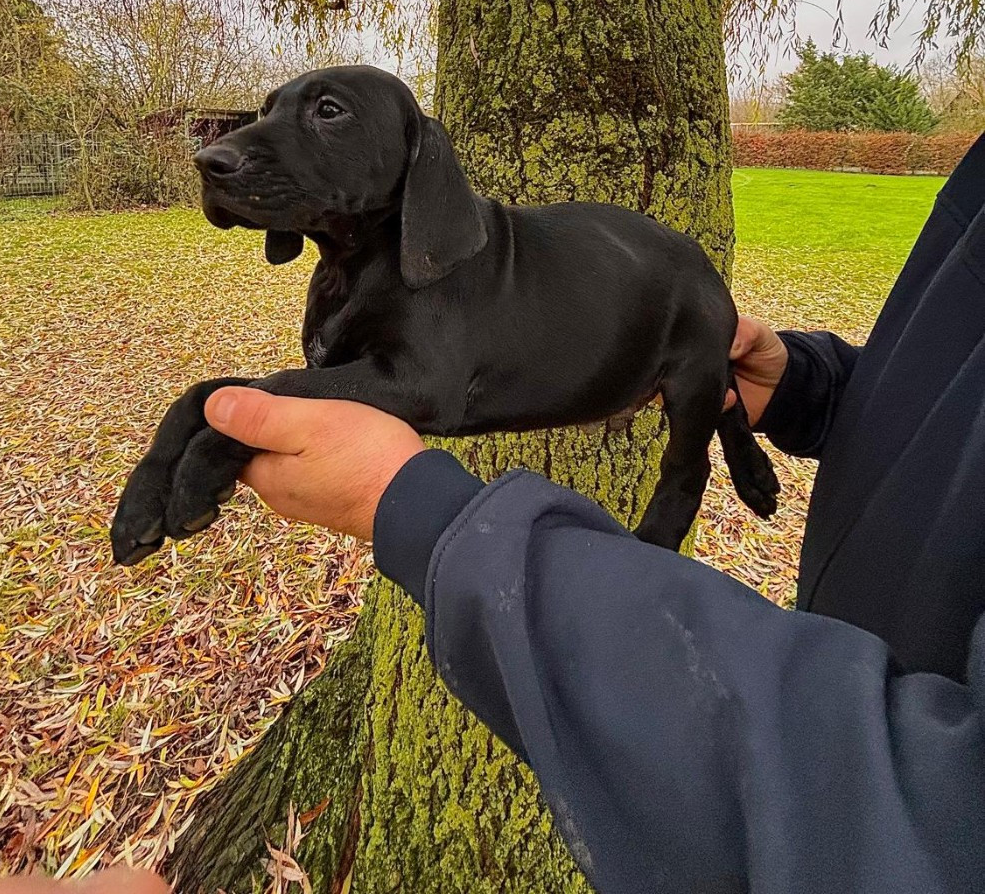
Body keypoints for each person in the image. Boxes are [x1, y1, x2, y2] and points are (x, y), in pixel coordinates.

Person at [197, 131, 985, 894]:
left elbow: (923, 819)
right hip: (858, 623)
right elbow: (952, 407)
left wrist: (413, 509)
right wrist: (816, 389)